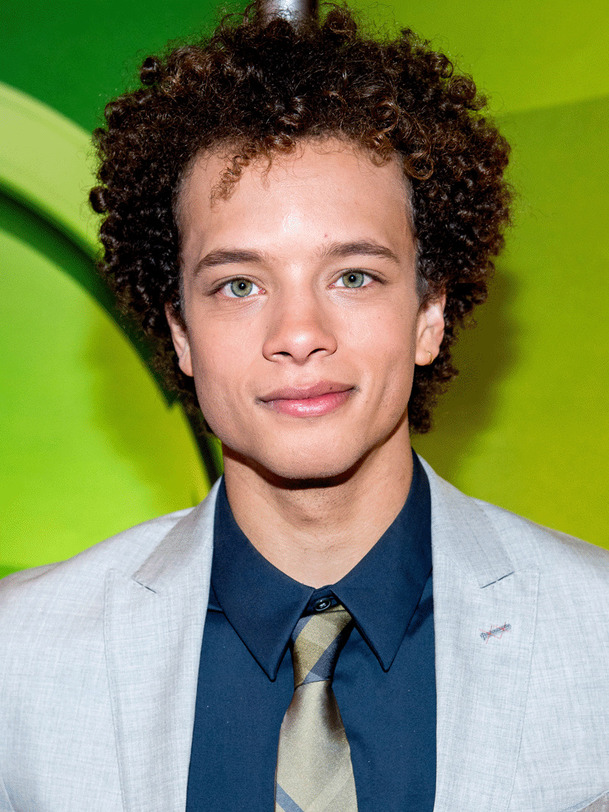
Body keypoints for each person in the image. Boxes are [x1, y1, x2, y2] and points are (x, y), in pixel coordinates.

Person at [1, 6, 608, 812]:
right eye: (238, 285)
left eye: (353, 276)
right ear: (180, 333)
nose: (297, 334)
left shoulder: (595, 633)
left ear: (428, 313)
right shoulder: (19, 656)